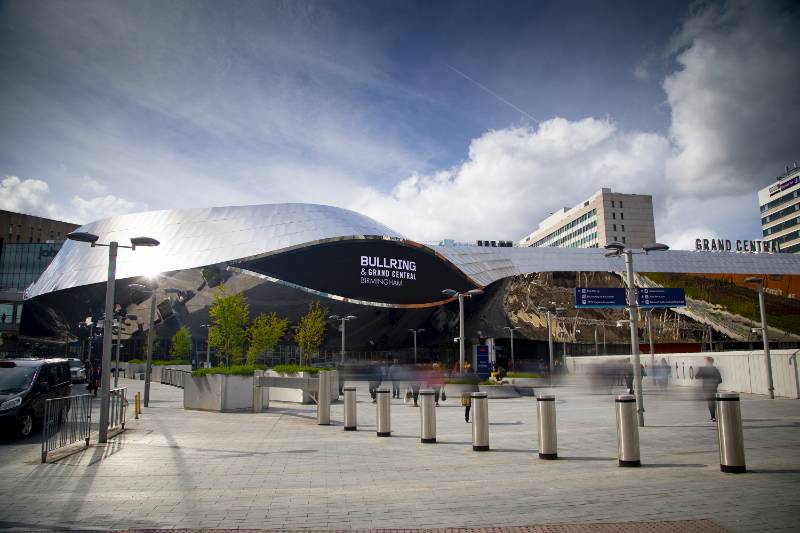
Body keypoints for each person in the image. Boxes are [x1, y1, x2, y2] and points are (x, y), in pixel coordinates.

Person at [695, 356, 723, 422]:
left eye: (705, 361)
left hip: (706, 388)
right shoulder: (715, 369)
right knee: (712, 402)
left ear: (707, 362)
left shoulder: (703, 369)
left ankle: (713, 416)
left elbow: (696, 376)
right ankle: (714, 416)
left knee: (710, 402)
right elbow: (720, 380)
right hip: (713, 388)